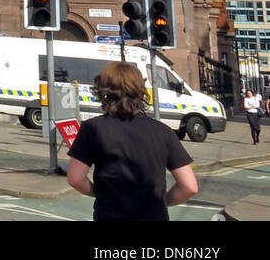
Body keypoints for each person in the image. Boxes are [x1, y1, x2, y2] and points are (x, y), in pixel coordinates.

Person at [67, 61, 199, 221]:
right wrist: (162, 201)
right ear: (139, 90)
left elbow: (75, 178)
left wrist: (100, 193)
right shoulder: (163, 131)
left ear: (103, 91)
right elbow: (189, 186)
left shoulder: (92, 128)